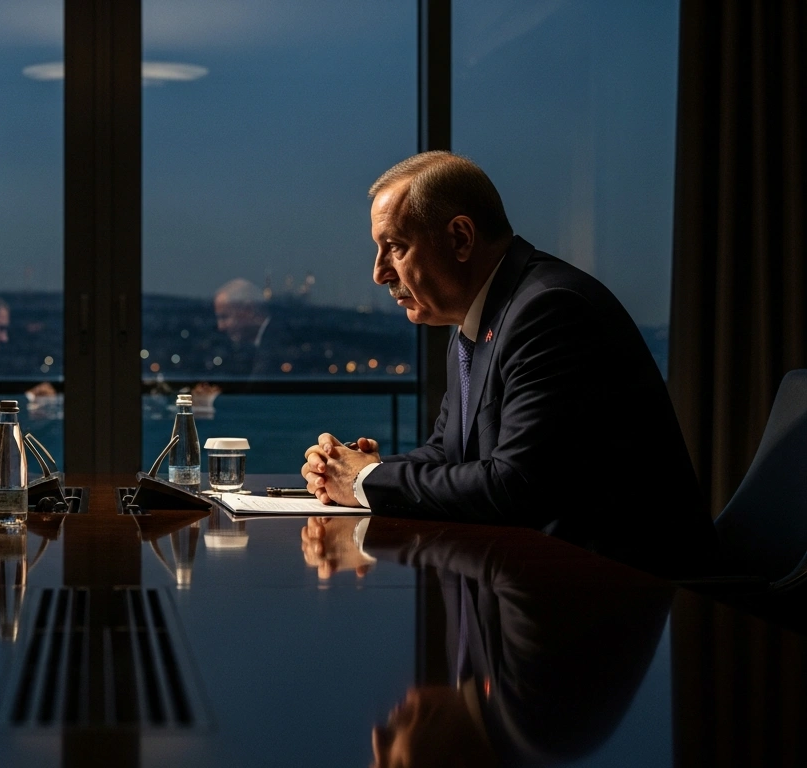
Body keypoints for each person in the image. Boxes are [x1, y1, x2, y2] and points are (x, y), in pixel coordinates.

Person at [300, 151, 716, 575]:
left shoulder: (550, 311)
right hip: (542, 577)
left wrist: (364, 481)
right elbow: (449, 453)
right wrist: (353, 468)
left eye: (396, 247)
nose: (379, 273)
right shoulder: (480, 319)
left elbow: (515, 485)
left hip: (618, 592)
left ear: (461, 238)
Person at [353, 515, 672, 767]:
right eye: (392, 764)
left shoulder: (485, 703)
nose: (377, 736)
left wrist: (373, 478)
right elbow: (516, 564)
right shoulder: (533, 722)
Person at [213, 278, 287, 377]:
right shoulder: (268, 342)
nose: (220, 327)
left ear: (248, 310)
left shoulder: (277, 347)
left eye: (225, 317)